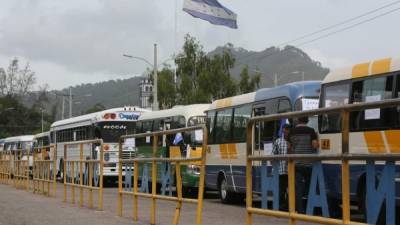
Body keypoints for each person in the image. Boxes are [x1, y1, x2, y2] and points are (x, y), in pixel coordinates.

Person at [287, 116, 319, 214]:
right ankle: (311, 209)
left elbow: (289, 148)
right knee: (311, 186)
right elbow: (314, 145)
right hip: (308, 164)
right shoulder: (311, 131)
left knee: (298, 188)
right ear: (308, 121)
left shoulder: (291, 132)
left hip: (297, 164)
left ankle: (300, 210)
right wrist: (317, 141)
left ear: (298, 120)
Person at [272, 123, 290, 211]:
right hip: (281, 170)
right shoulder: (278, 141)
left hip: (290, 170)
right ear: (282, 131)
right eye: (284, 130)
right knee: (282, 190)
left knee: (289, 190)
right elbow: (273, 155)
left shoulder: (292, 141)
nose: (285, 132)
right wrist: (274, 167)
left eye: (287, 130)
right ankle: (282, 206)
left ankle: (286, 206)